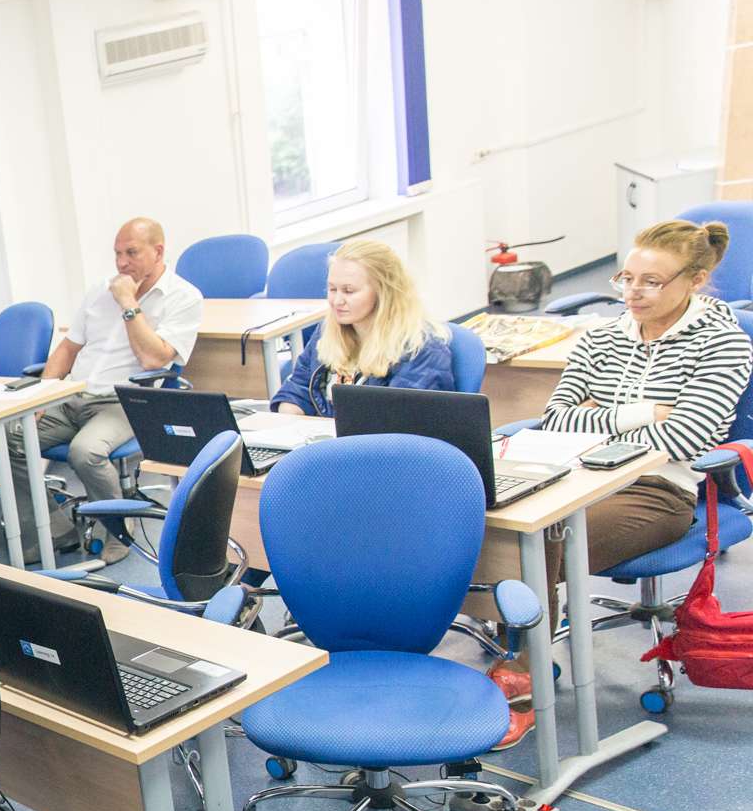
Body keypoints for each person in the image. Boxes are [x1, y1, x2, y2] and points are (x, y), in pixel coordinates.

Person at [495, 219, 752, 745]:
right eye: (626, 278)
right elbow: (556, 418)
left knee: (542, 537)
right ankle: (523, 649)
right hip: (571, 474)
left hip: (658, 489)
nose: (633, 292)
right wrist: (645, 412)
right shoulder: (603, 335)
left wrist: (599, 416)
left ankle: (524, 673)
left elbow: (685, 437)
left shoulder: (724, 343)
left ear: (695, 280)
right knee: (500, 525)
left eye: (651, 282)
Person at [7, 217, 204, 565]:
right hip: (73, 396)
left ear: (158, 252)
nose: (121, 263)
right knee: (12, 435)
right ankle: (56, 529)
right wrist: (42, 395)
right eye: (117, 254)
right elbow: (68, 348)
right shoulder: (99, 291)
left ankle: (119, 530)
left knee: (85, 451)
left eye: (132, 253)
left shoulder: (183, 297)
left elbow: (153, 358)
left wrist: (128, 303)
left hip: (127, 402)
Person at [270, 239, 454, 416]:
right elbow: (296, 391)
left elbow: (401, 421)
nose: (337, 301)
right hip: (327, 435)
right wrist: (290, 420)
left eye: (349, 291)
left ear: (383, 292)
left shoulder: (421, 348)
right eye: (332, 289)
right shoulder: (327, 331)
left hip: (379, 438)